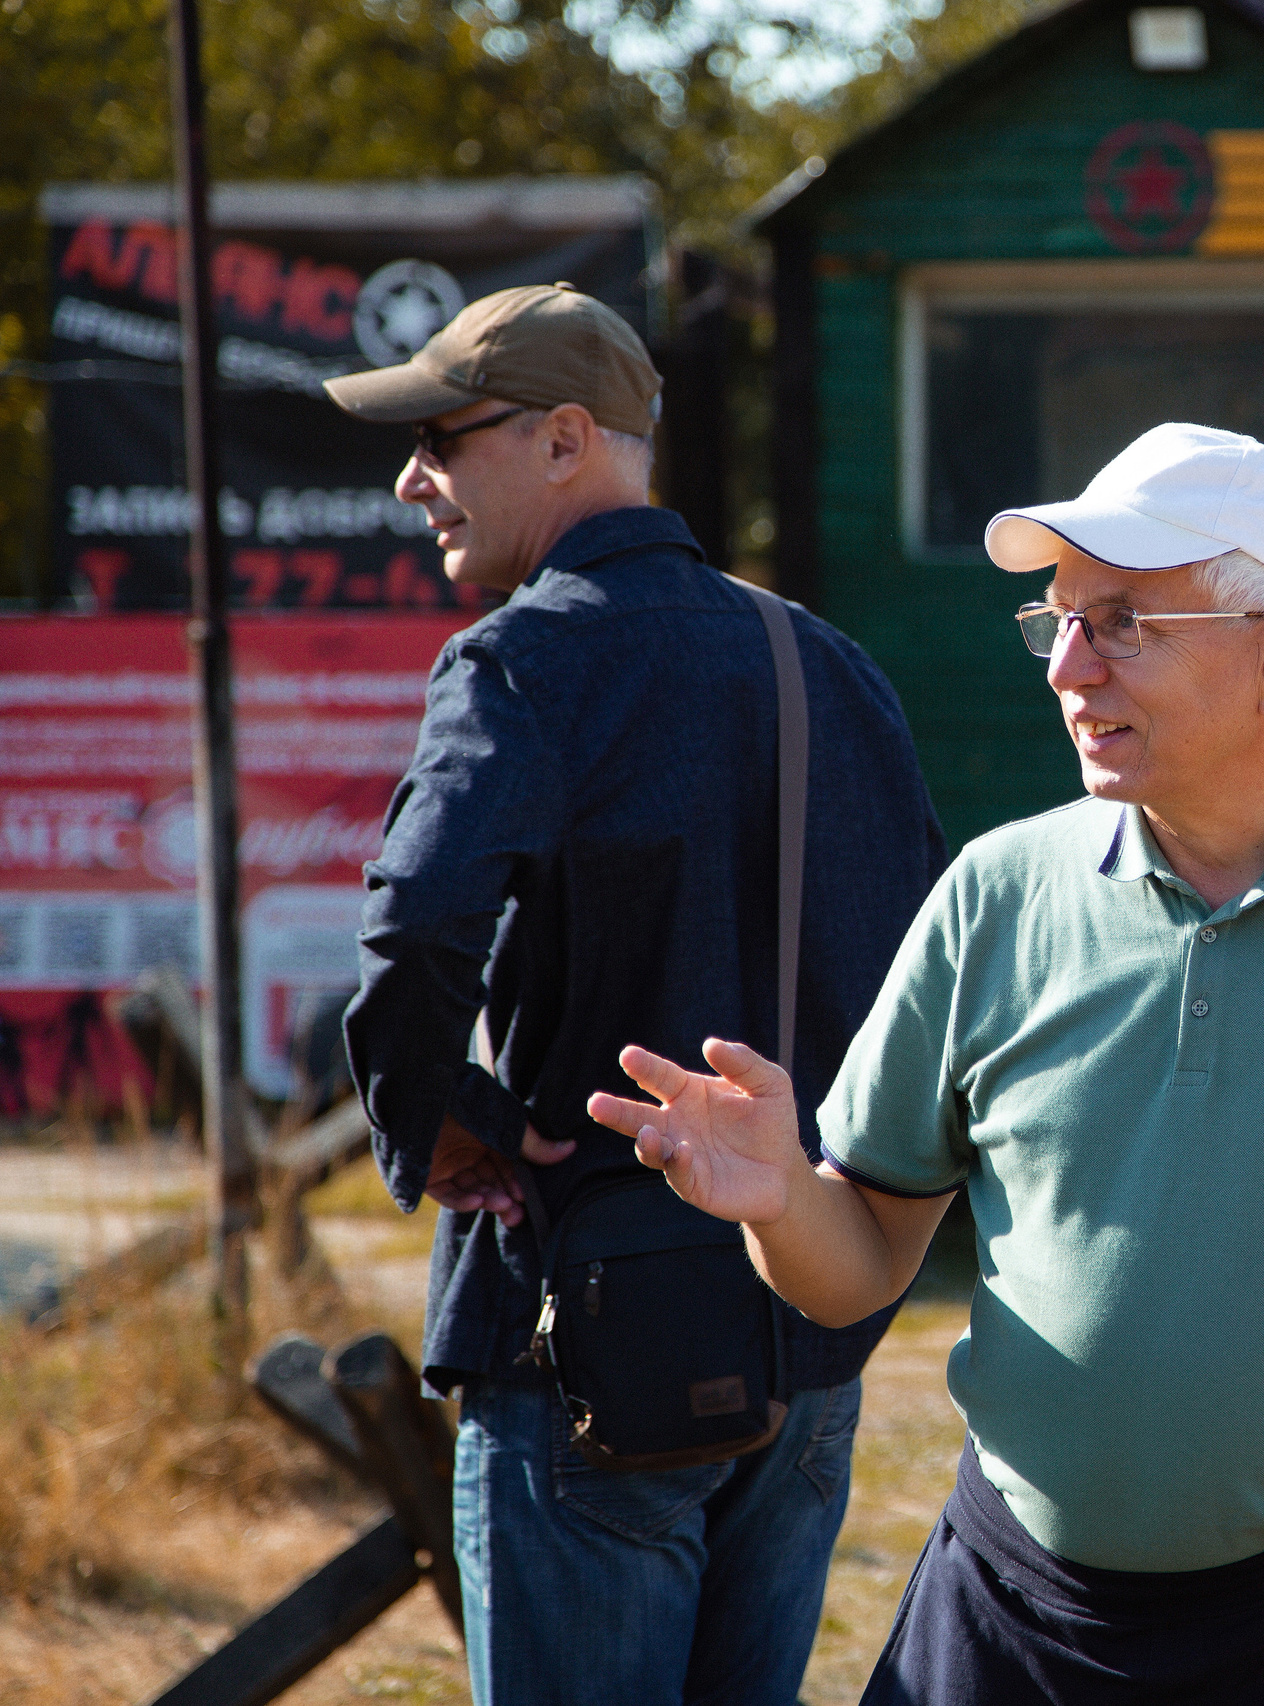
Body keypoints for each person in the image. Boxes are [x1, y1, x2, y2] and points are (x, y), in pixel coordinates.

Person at [587, 424, 1264, 1705]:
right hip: (1007, 1619)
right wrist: (777, 1201)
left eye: (1125, 623)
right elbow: (853, 1266)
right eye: (1059, 624)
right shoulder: (995, 891)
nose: (1072, 669)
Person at [325, 284, 944, 1706]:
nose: (410, 478)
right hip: (804, 1351)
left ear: (561, 440)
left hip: (585, 1342)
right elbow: (929, 981)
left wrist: (446, 1125)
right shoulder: (832, 664)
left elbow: (414, 931)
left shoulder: (527, 657)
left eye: (439, 434)